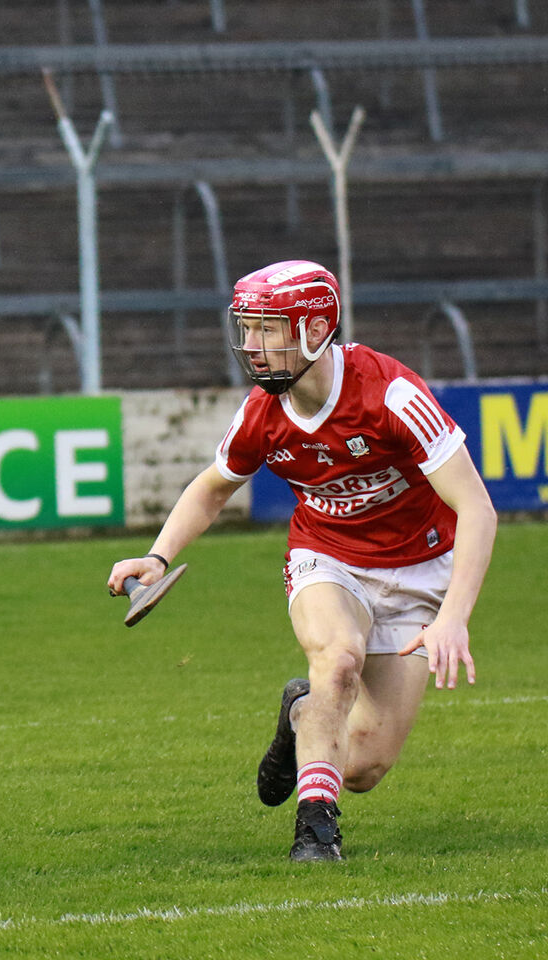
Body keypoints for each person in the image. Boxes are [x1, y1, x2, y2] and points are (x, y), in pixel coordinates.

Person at [107, 260, 495, 862]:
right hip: (327, 557)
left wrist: (453, 618)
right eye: (247, 328)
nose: (252, 346)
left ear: (315, 330)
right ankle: (316, 831)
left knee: (362, 766)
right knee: (338, 658)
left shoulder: (391, 395)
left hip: (420, 572)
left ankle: (299, 715)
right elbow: (212, 487)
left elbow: (476, 509)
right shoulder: (262, 413)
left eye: (268, 329)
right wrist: (157, 556)